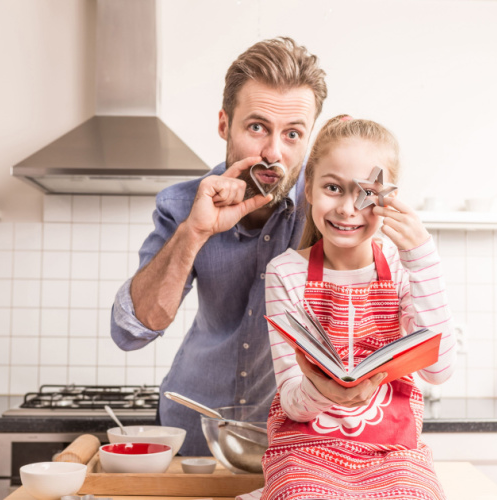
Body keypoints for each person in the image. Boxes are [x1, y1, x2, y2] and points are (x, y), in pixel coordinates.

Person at [110, 37, 327, 456]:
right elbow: (130, 332)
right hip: (195, 429)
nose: (272, 153)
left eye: (293, 134)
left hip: (289, 442)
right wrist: (194, 233)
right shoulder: (181, 206)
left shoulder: (324, 210)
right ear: (225, 124)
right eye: (257, 127)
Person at [260, 115, 457, 499]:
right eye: (333, 187)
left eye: (367, 193)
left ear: (389, 199)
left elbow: (439, 370)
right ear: (310, 190)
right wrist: (323, 392)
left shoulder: (405, 268)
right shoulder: (285, 272)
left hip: (394, 453)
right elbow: (293, 403)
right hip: (304, 452)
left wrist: (423, 259)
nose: (349, 208)